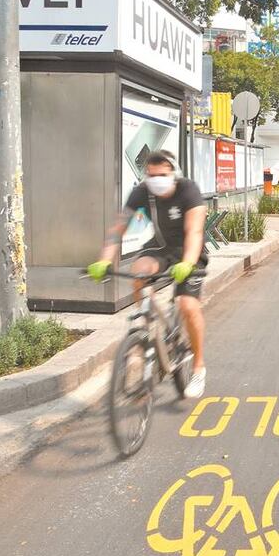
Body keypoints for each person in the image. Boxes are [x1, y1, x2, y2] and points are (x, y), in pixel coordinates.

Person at [87, 150, 209, 398]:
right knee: (138, 272)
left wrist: (187, 263)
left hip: (190, 252)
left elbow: (194, 232)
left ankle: (198, 367)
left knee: (187, 305)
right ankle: (145, 325)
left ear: (174, 174)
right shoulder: (142, 192)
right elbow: (118, 229)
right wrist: (103, 259)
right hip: (160, 248)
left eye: (162, 175)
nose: (156, 180)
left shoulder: (188, 190)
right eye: (151, 175)